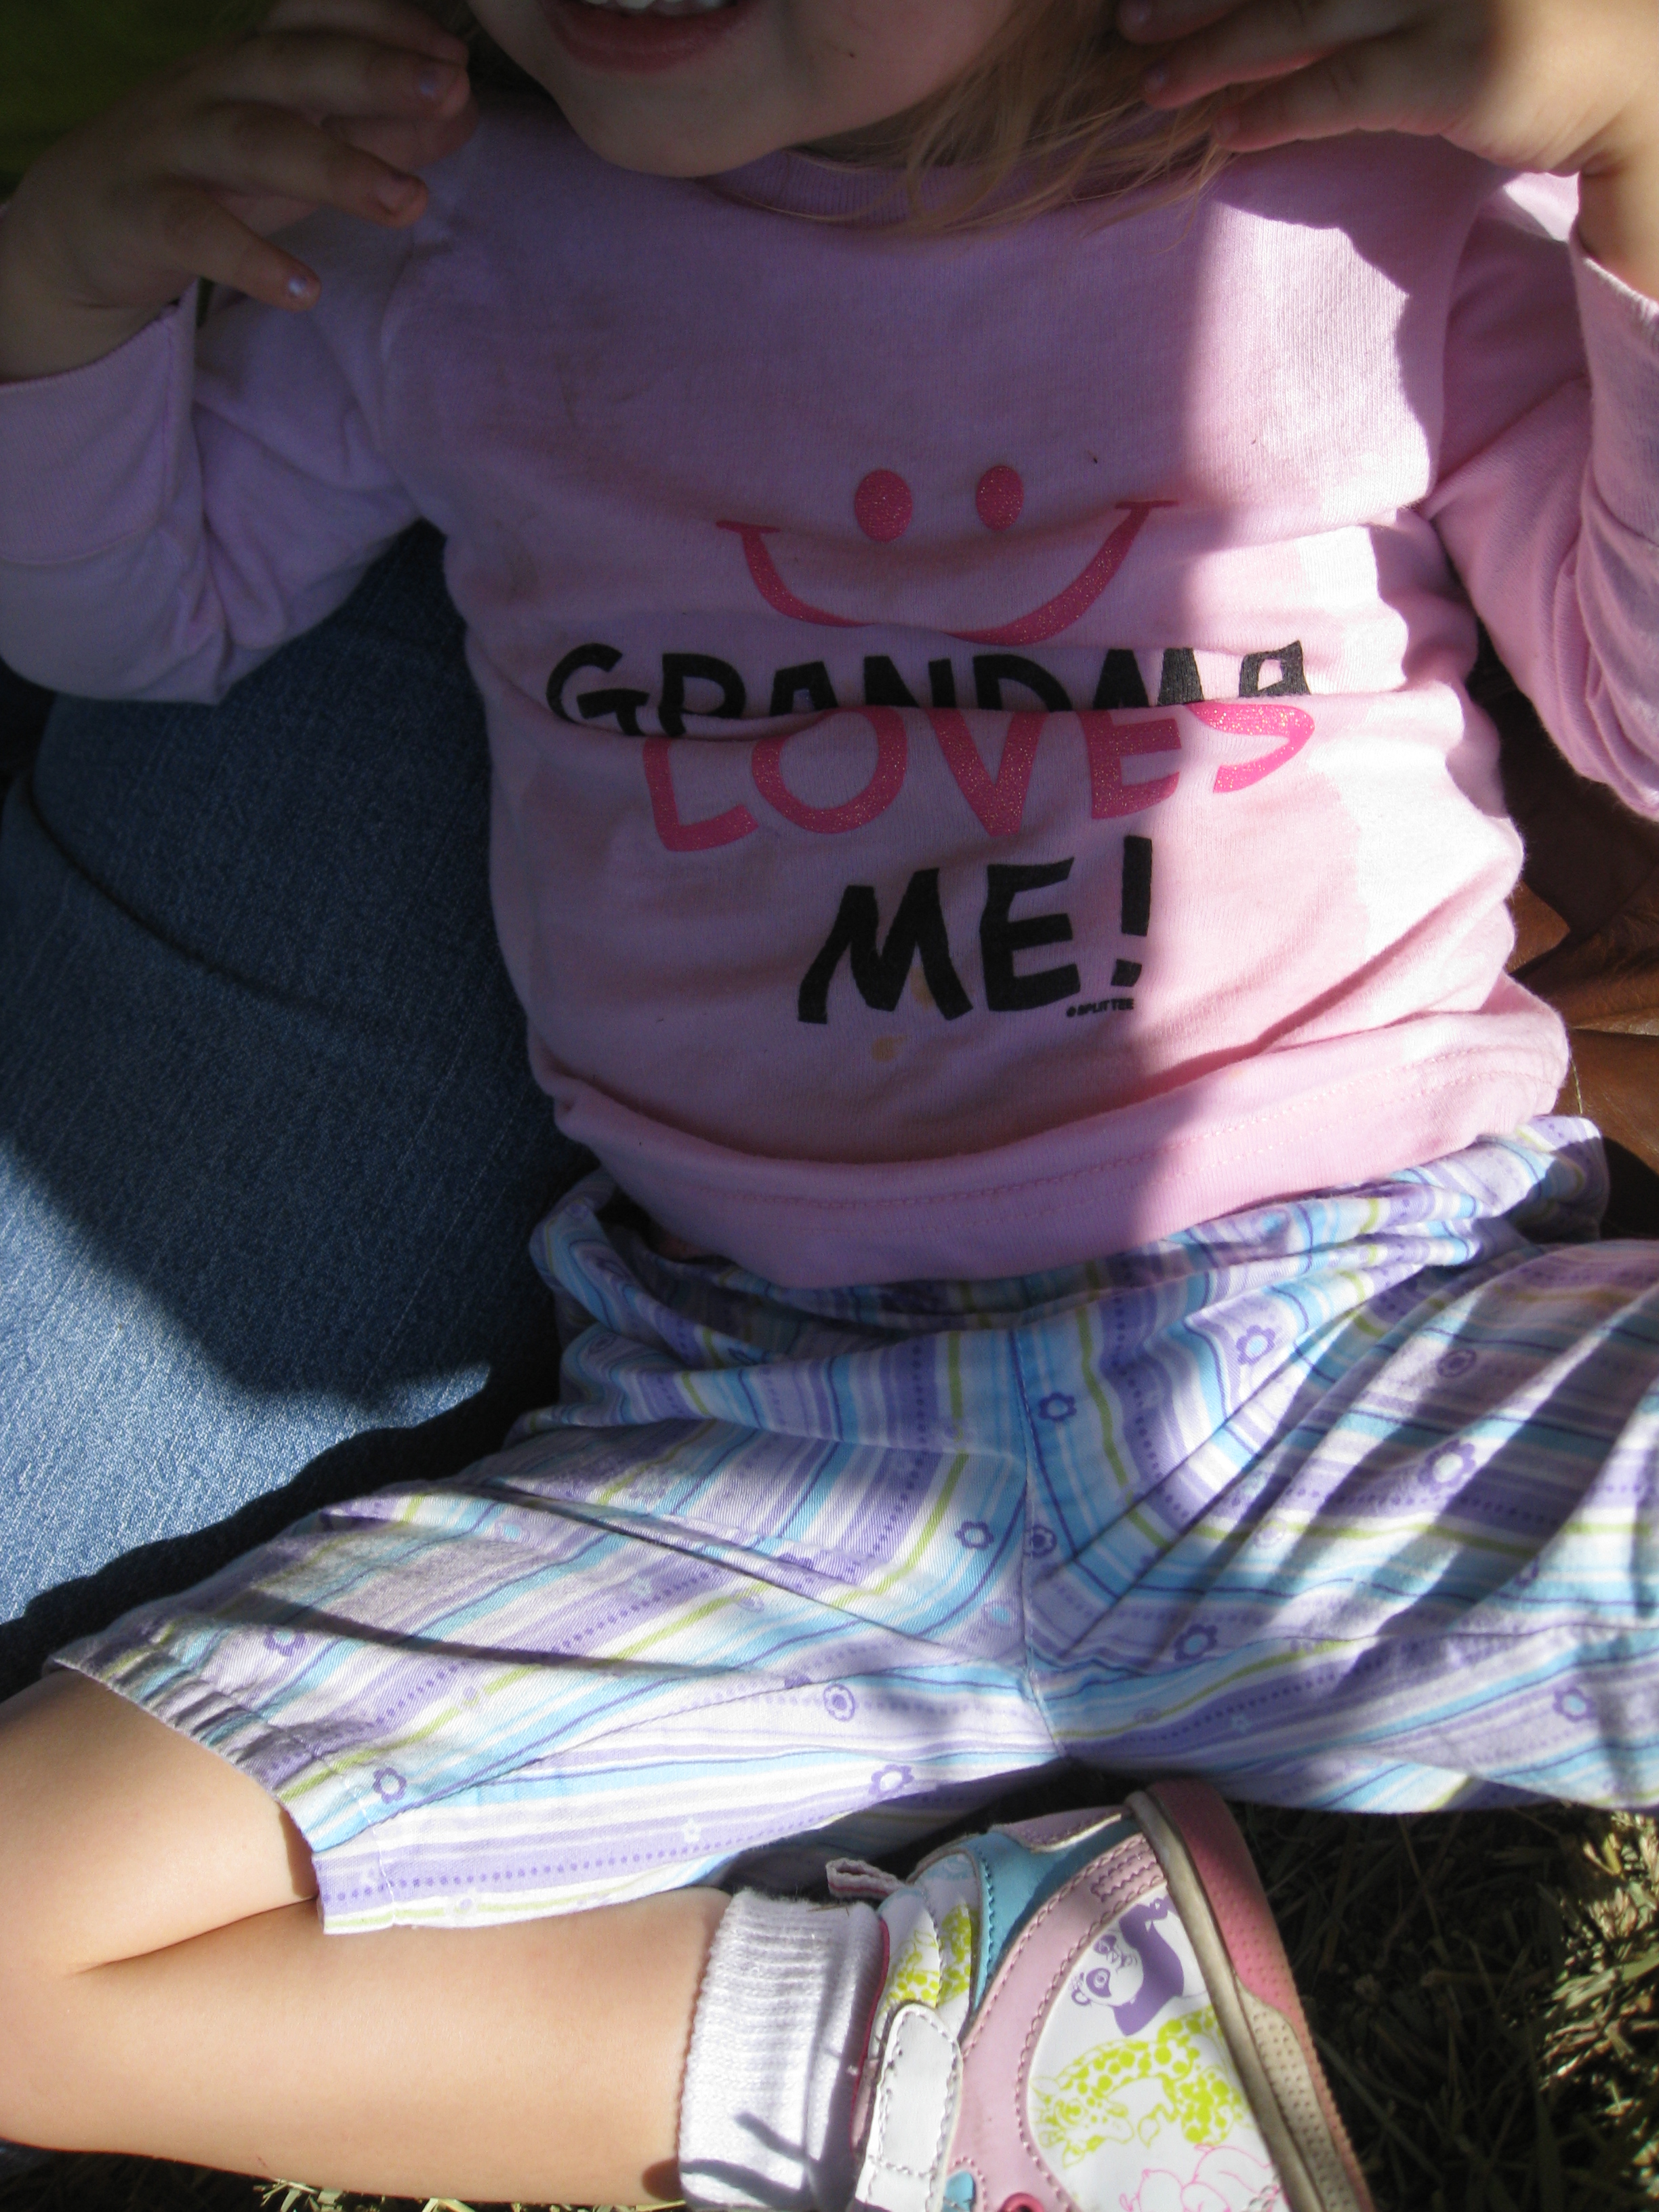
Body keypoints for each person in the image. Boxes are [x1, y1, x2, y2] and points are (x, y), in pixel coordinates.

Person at [0, 0, 1655, 2203]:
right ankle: (958, 2067)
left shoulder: (1380, 193)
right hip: (758, 1448)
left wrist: (1645, 159)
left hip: (1359, 1344)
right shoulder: (437, 221)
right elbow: (148, 613)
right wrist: (57, 295)